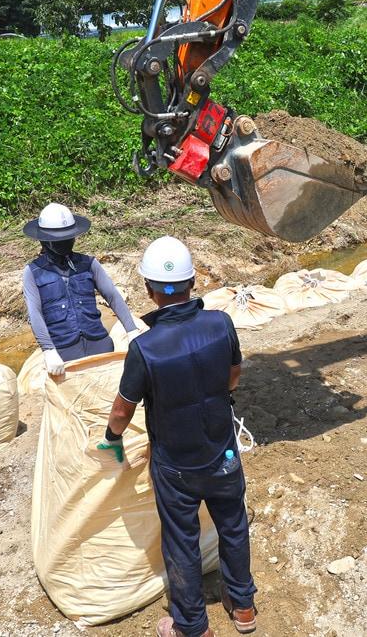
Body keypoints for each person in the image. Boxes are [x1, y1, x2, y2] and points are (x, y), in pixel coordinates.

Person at [98, 237, 257, 637]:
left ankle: (191, 626)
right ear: (192, 283)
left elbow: (122, 410)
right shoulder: (221, 324)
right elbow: (234, 376)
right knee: (234, 525)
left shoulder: (145, 348)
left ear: (151, 290)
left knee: (182, 542)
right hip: (222, 454)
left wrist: (111, 437)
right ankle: (243, 609)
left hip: (177, 467)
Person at [21, 203, 136, 376]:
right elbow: (35, 313)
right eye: (59, 239)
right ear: (44, 240)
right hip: (63, 352)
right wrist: (48, 349)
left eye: (69, 237)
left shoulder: (88, 264)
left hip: (99, 343)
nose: (66, 242)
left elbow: (112, 296)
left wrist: (132, 330)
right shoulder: (33, 272)